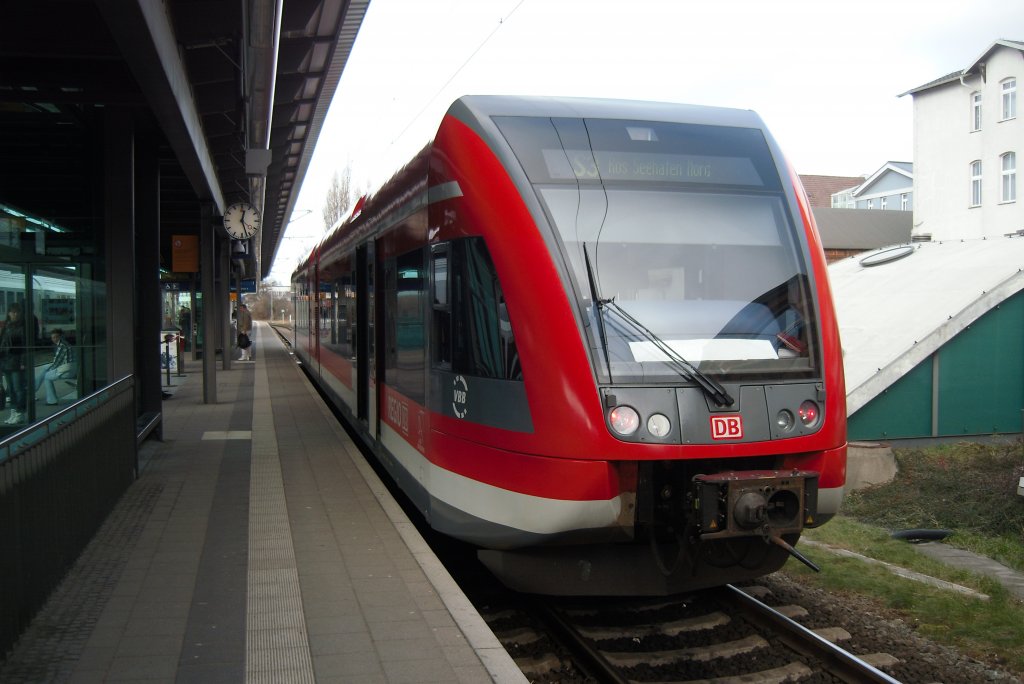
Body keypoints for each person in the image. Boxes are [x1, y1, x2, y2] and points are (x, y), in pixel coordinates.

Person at [0, 303, 29, 424]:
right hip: (6, 362)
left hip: (17, 362)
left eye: (17, 312)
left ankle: (20, 412)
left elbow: (25, 346)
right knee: (11, 389)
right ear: (9, 313)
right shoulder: (6, 327)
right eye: (12, 312)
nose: (14, 314)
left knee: (18, 388)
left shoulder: (23, 328)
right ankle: (13, 412)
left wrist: (23, 362)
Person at [36, 328, 77, 406]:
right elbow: (58, 361)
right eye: (53, 337)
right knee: (45, 368)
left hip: (67, 370)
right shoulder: (65, 344)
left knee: (46, 376)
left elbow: (56, 363)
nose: (54, 339)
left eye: (56, 337)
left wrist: (49, 370)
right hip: (68, 367)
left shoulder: (62, 346)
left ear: (61, 337)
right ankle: (34, 388)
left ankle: (52, 400)